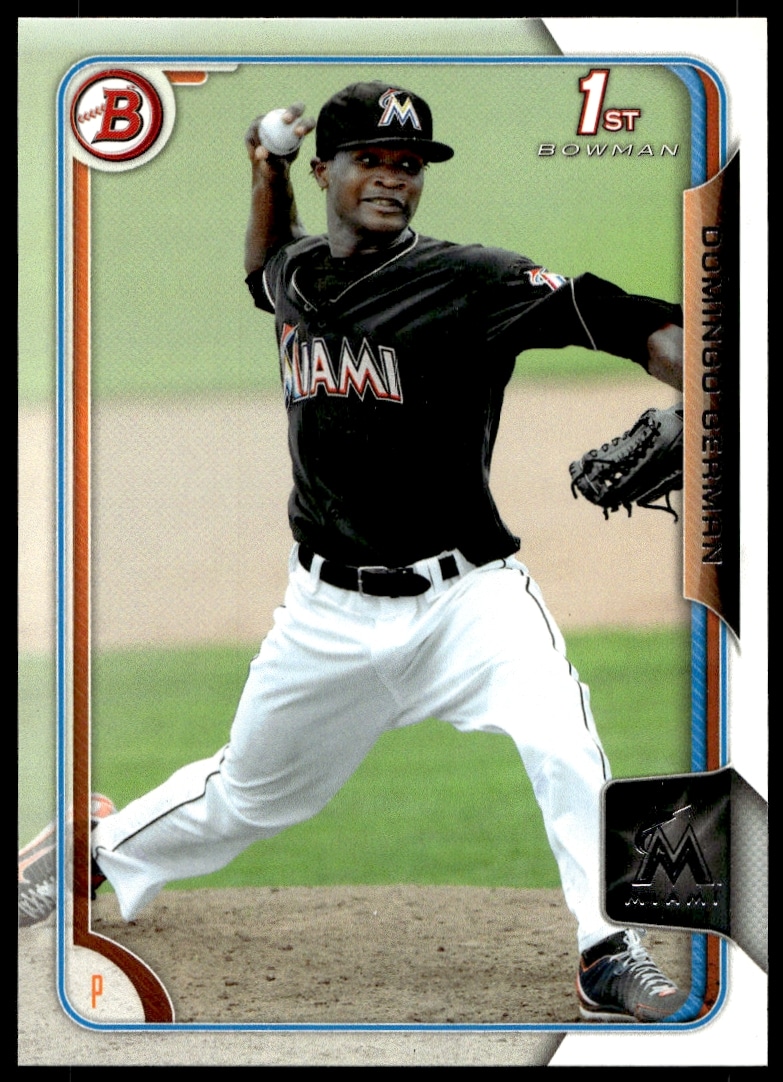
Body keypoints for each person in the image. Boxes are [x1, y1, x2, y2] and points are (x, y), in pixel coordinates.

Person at [19, 81, 688, 1023]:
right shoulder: (299, 275)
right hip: (324, 617)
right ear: (326, 169)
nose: (391, 179)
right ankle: (96, 849)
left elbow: (623, 319)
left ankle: (606, 947)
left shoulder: (472, 280)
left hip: (470, 602)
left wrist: (707, 385)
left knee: (561, 740)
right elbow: (265, 268)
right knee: (247, 798)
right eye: (370, 159)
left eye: (407, 165)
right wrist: (265, 170)